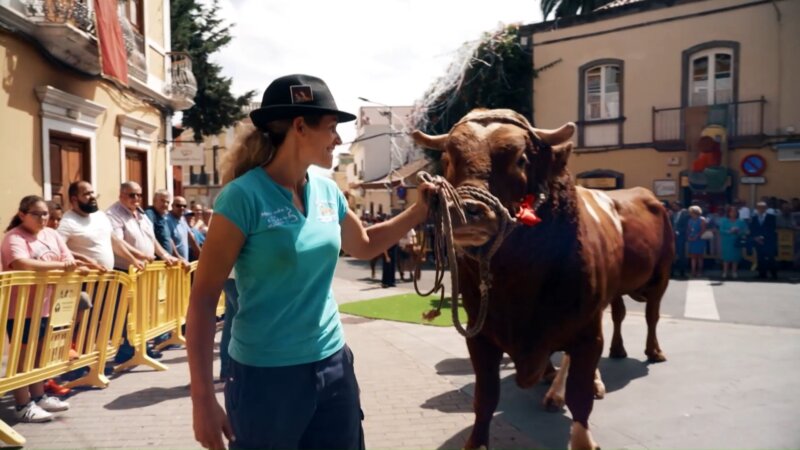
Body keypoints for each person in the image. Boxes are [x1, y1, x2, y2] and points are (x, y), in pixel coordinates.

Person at [185, 74, 436, 450]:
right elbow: (203, 299)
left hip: (333, 365)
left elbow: (364, 244)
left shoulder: (327, 191)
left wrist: (418, 212)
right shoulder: (242, 198)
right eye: (332, 128)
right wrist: (202, 399)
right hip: (265, 378)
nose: (338, 139)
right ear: (300, 126)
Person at [1, 195, 82, 422]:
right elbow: (22, 263)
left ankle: (38, 396)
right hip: (22, 308)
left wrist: (66, 265)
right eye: (37, 214)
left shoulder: (52, 234)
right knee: (22, 357)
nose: (43, 218)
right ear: (22, 215)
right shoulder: (14, 237)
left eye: (45, 213)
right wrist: (60, 266)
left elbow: (69, 259)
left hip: (48, 306)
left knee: (39, 355)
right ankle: (22, 404)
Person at [750, 201, 778, 279]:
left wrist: (763, 237)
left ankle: (774, 274)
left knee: (770, 258)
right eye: (759, 207)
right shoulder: (754, 217)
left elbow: (771, 229)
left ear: (766, 208)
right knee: (760, 258)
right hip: (758, 241)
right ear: (757, 208)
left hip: (768, 241)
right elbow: (752, 229)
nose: (761, 209)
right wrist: (755, 237)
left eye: (763, 207)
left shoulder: (771, 217)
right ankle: (762, 274)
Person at [166, 196, 200, 261]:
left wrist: (200, 253)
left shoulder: (182, 219)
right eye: (178, 205)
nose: (182, 208)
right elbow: (169, 241)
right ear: (172, 206)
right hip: (174, 264)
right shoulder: (167, 220)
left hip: (184, 263)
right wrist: (179, 258)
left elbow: (190, 237)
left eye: (184, 206)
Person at [718, 205, 747, 279]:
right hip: (726, 241)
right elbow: (721, 231)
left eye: (735, 212)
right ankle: (725, 272)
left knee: (735, 257)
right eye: (731, 212)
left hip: (736, 241)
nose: (733, 213)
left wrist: (738, 231)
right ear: (728, 213)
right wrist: (729, 231)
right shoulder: (723, 220)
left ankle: (734, 272)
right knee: (726, 257)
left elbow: (746, 231)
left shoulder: (741, 221)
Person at [144, 189, 173, 258]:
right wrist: (165, 255)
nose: (165, 204)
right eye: (162, 201)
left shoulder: (163, 216)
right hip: (157, 260)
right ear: (154, 200)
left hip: (167, 260)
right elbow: (150, 236)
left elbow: (168, 239)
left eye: (167, 202)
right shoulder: (150, 214)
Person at [670, 201, 689, 278]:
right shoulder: (672, 214)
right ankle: (672, 271)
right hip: (672, 236)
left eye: (675, 206)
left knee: (681, 254)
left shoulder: (685, 214)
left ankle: (682, 272)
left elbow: (686, 225)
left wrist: (679, 231)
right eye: (673, 206)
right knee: (672, 254)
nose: (674, 207)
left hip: (680, 236)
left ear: (679, 206)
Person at [686, 205, 706, 277]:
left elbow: (703, 230)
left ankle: (700, 271)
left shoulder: (702, 219)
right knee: (693, 256)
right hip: (692, 239)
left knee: (700, 256)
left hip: (699, 239)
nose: (690, 213)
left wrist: (696, 237)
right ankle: (693, 271)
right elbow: (688, 229)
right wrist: (688, 236)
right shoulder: (690, 220)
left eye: (691, 212)